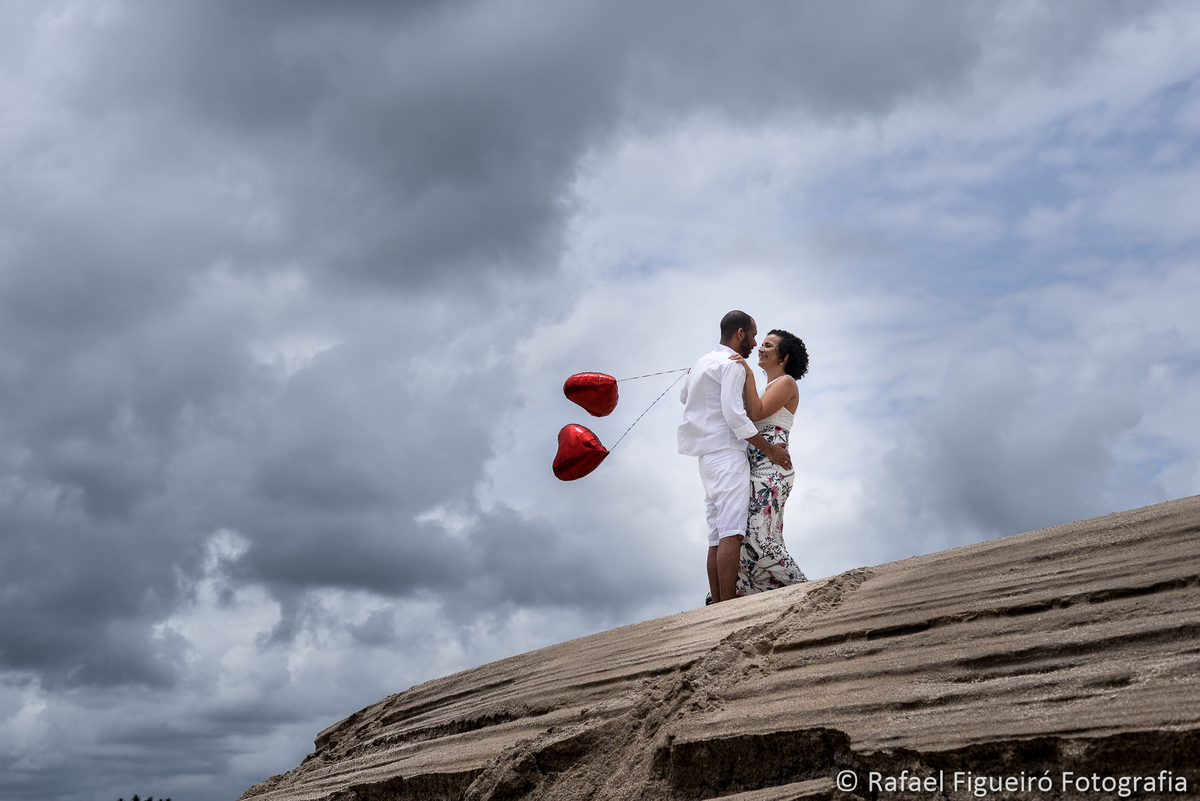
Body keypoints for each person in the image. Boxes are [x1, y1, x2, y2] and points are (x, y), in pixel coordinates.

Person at [679, 311, 792, 604]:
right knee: (731, 531)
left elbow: (683, 396)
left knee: (716, 534)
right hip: (728, 454)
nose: (755, 344)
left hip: (705, 458)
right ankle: (727, 605)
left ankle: (718, 602)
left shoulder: (702, 363)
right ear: (740, 333)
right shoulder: (732, 365)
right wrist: (768, 449)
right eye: (754, 336)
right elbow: (734, 415)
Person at [729, 329, 810, 595]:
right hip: (759, 470)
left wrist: (748, 373)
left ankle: (804, 588)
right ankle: (767, 595)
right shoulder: (767, 388)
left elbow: (755, 413)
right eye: (761, 344)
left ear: (783, 356)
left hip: (772, 472)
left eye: (768, 346)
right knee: (759, 535)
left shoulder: (786, 383)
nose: (761, 349)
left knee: (757, 537)